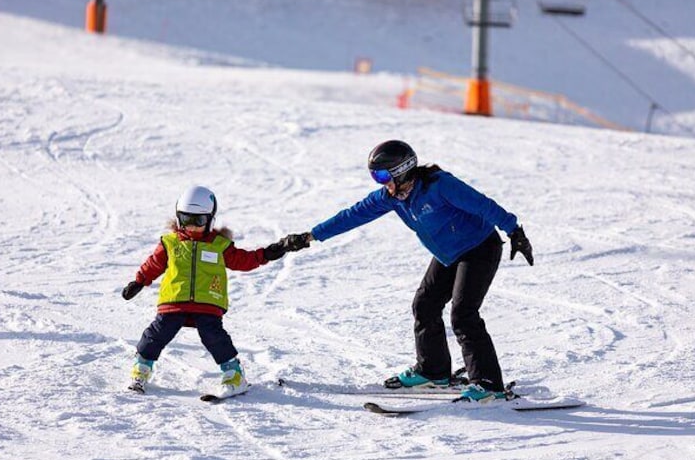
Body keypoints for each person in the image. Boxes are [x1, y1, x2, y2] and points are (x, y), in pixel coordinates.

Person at [282, 140, 533, 402]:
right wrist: (311, 236)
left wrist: (514, 230)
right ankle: (433, 372)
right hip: (448, 255)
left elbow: (483, 205)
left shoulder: (439, 185)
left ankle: (488, 384)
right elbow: (351, 215)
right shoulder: (391, 198)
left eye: (382, 176)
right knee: (425, 304)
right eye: (375, 177)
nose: (380, 183)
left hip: (480, 248)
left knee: (464, 315)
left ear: (401, 170)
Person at [121, 185, 299, 397]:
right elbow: (154, 264)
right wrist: (140, 281)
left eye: (199, 221)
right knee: (157, 333)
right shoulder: (170, 243)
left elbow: (245, 260)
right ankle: (141, 369)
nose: (193, 226)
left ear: (210, 220)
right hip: (174, 299)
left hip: (208, 301)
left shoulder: (219, 245)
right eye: (187, 219)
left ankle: (234, 375)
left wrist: (272, 251)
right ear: (178, 218)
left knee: (213, 336)